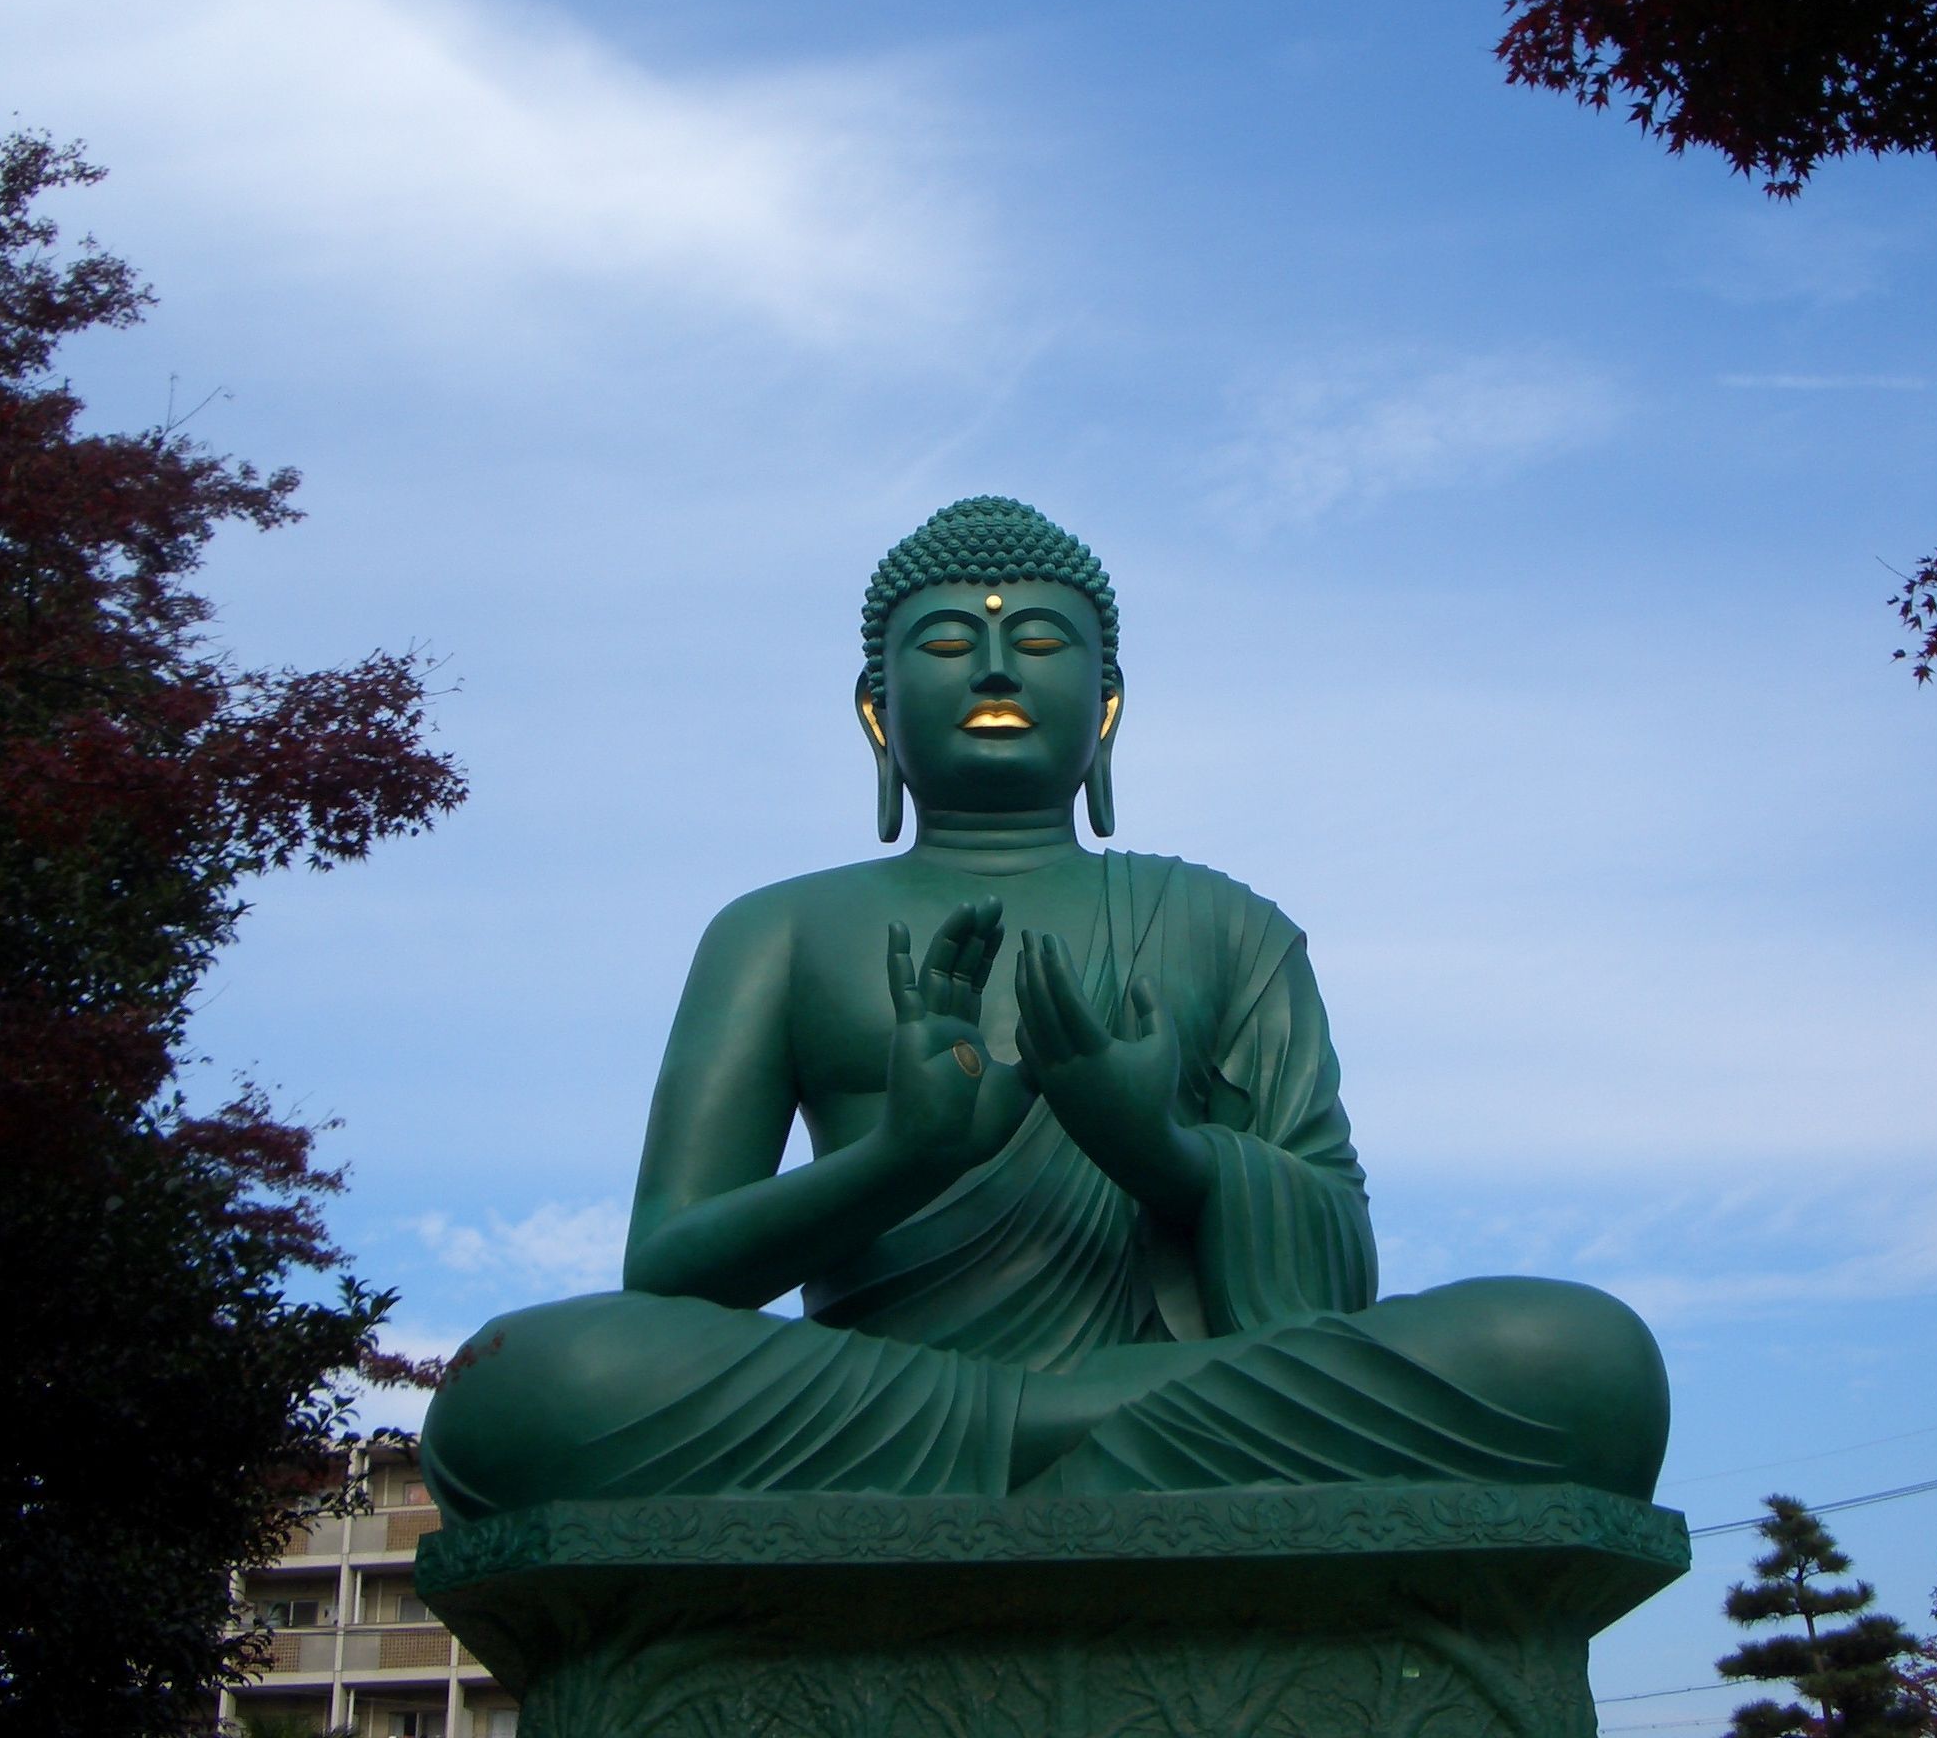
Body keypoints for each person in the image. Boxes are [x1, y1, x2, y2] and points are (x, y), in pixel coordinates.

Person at [420, 497, 1666, 1517]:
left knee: (1575, 1361)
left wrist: (1169, 1159)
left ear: (1107, 707)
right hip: (879, 1389)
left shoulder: (1224, 922)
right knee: (529, 1389)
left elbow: (1331, 1262)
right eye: (951, 644)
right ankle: (1082, 1452)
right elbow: (670, 1269)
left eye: (1045, 644)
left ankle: (1019, 1455)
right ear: (877, 712)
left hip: (1094, 1399)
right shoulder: (775, 929)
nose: (1001, 667)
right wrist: (903, 1160)